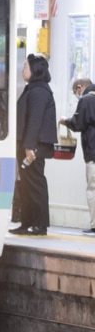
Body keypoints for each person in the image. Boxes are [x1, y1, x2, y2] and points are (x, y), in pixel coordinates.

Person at [11, 54, 57, 236]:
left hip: (33, 148)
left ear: (35, 70)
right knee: (27, 185)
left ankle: (39, 224)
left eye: (26, 67)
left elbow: (35, 121)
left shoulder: (39, 91)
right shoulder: (34, 89)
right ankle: (27, 222)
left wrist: (29, 147)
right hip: (28, 146)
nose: (23, 70)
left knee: (35, 184)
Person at [60, 77, 95, 235]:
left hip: (93, 152)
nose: (77, 95)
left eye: (76, 92)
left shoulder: (86, 99)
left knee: (93, 188)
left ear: (80, 87)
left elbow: (78, 124)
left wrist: (65, 121)